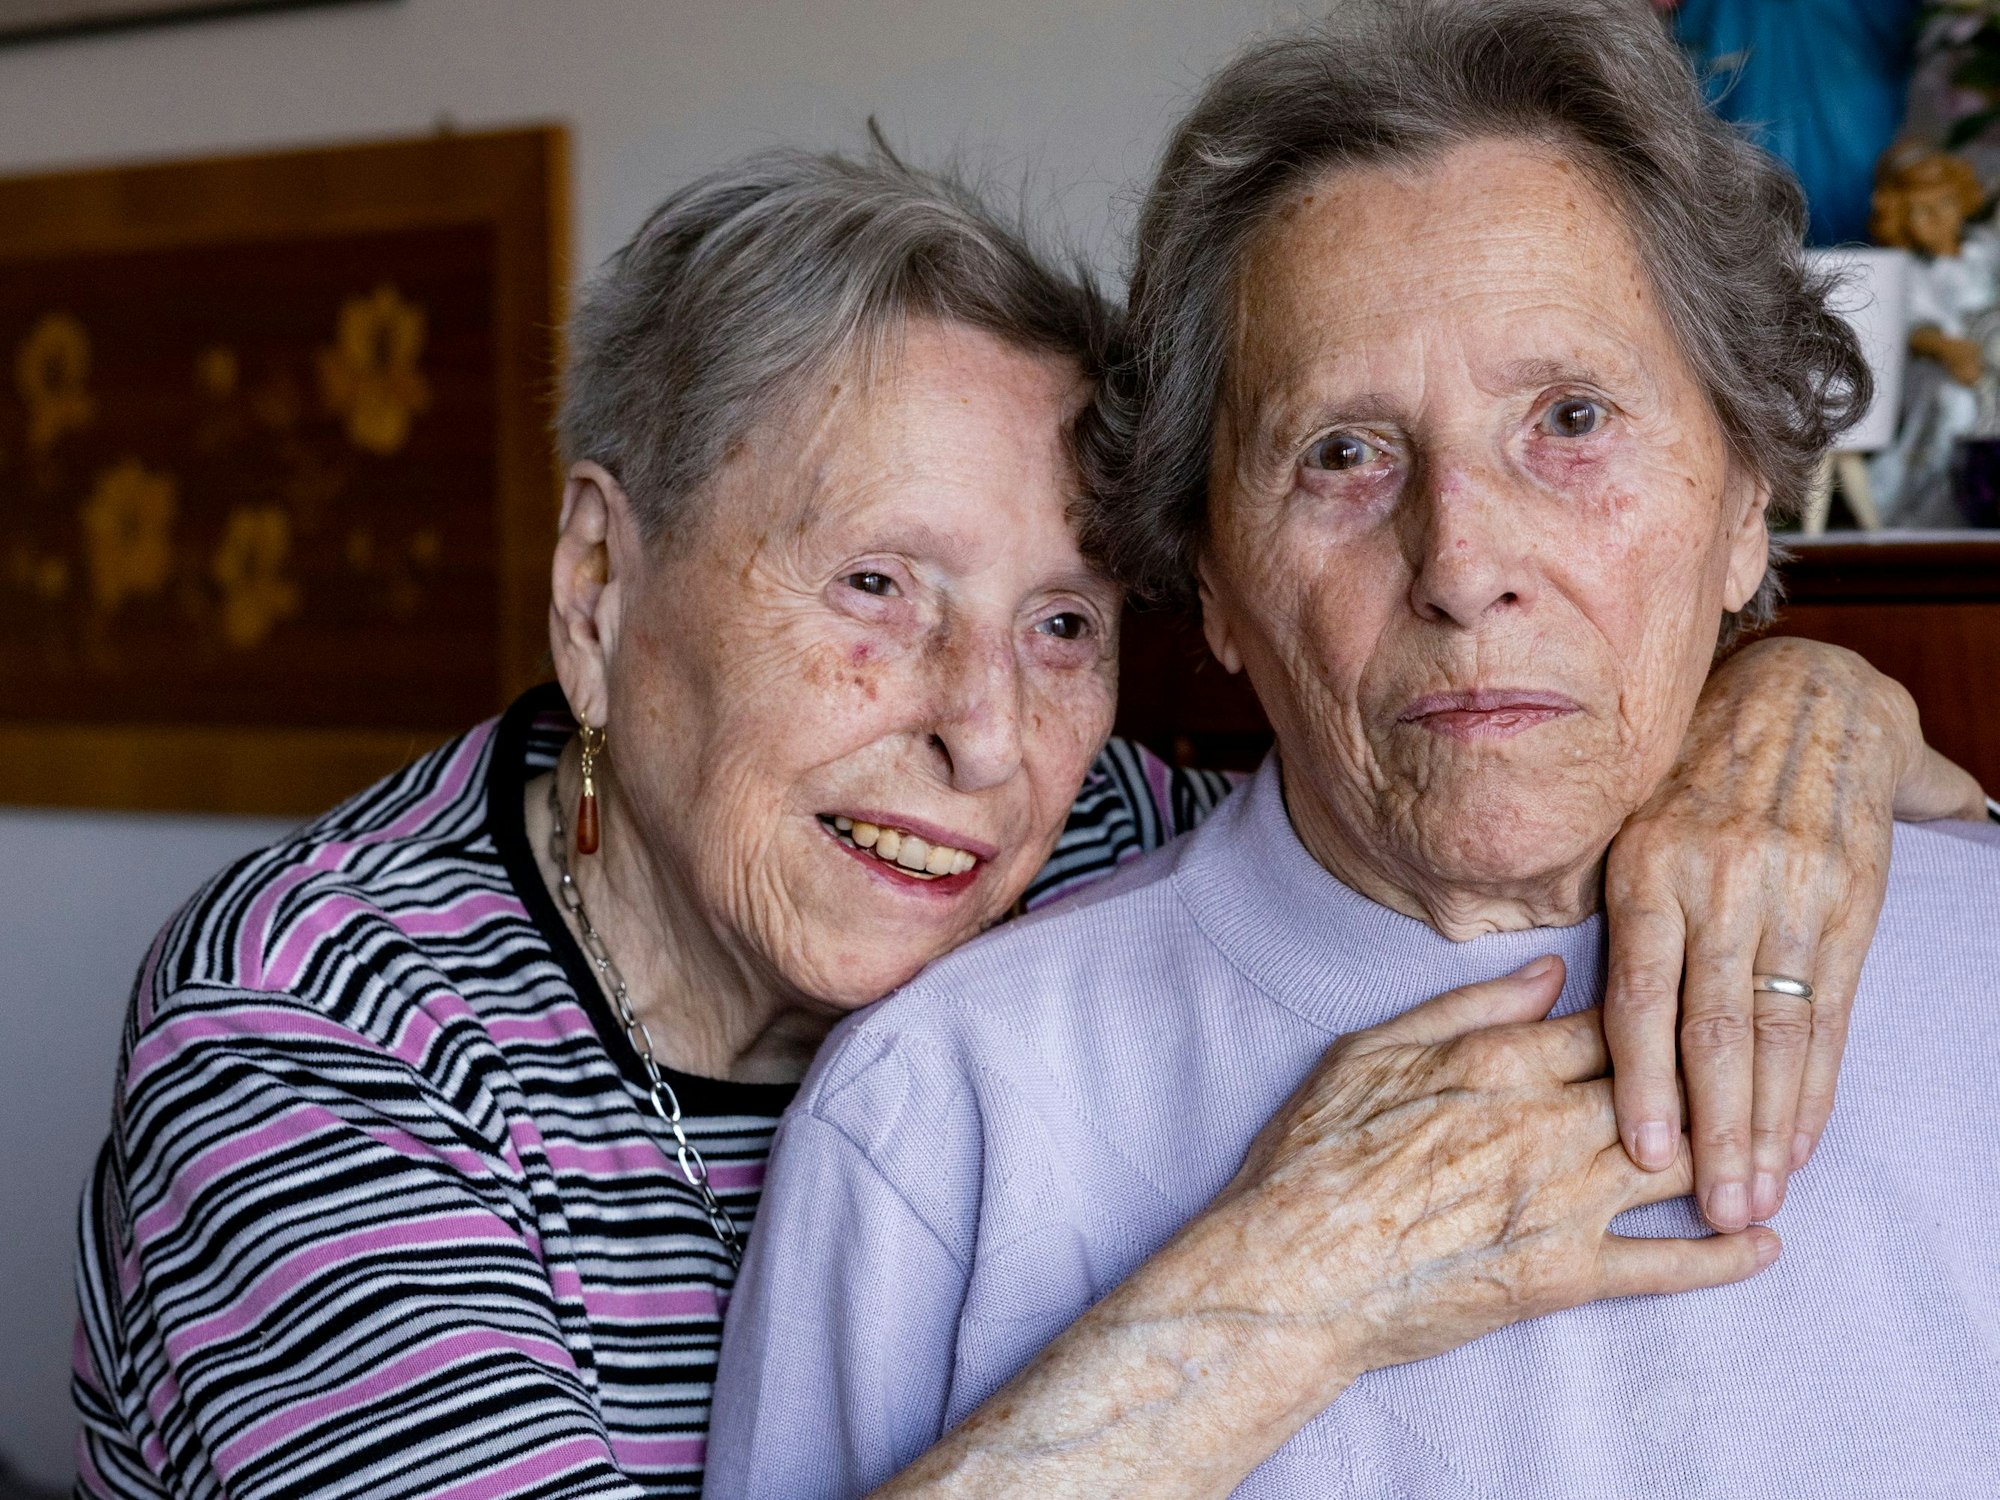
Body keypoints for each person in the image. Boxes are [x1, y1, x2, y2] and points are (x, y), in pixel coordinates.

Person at [73, 130, 1980, 1499]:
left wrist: (1789, 704)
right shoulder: (309, 1039)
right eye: (876, 588)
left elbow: (1451, 739)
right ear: (599, 586)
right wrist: (1288, 1286)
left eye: (1064, 620)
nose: (983, 735)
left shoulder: (1074, 837)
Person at [708, 5, 2000, 1497]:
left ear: (1746, 504)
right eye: (1342, 453)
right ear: (1212, 580)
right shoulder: (949, 1112)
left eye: (1570, 420)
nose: (1461, 562)